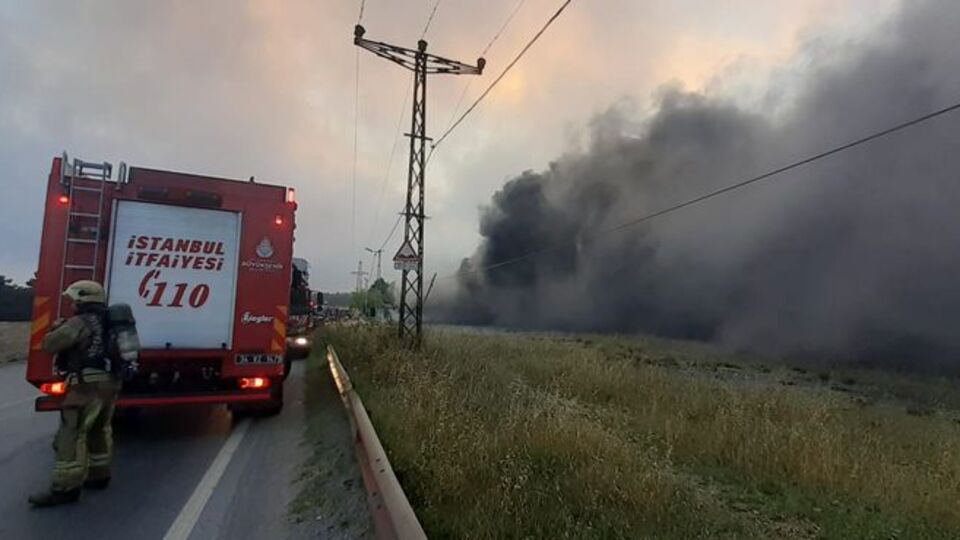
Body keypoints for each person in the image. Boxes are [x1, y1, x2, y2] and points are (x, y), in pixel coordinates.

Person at [29, 280, 121, 507]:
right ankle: (100, 475)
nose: (71, 304)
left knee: (71, 434)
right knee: (99, 429)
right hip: (110, 383)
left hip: (85, 385)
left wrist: (56, 328)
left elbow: (51, 345)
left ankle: (65, 488)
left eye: (73, 300)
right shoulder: (112, 322)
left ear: (83, 299)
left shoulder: (79, 322)